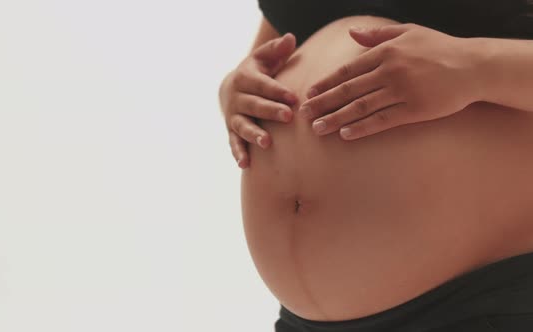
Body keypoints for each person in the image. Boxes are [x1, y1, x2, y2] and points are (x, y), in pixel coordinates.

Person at [218, 1, 533, 331]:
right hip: (303, 319)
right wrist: (234, 87)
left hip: (482, 296)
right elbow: (276, 47)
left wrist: (477, 66)